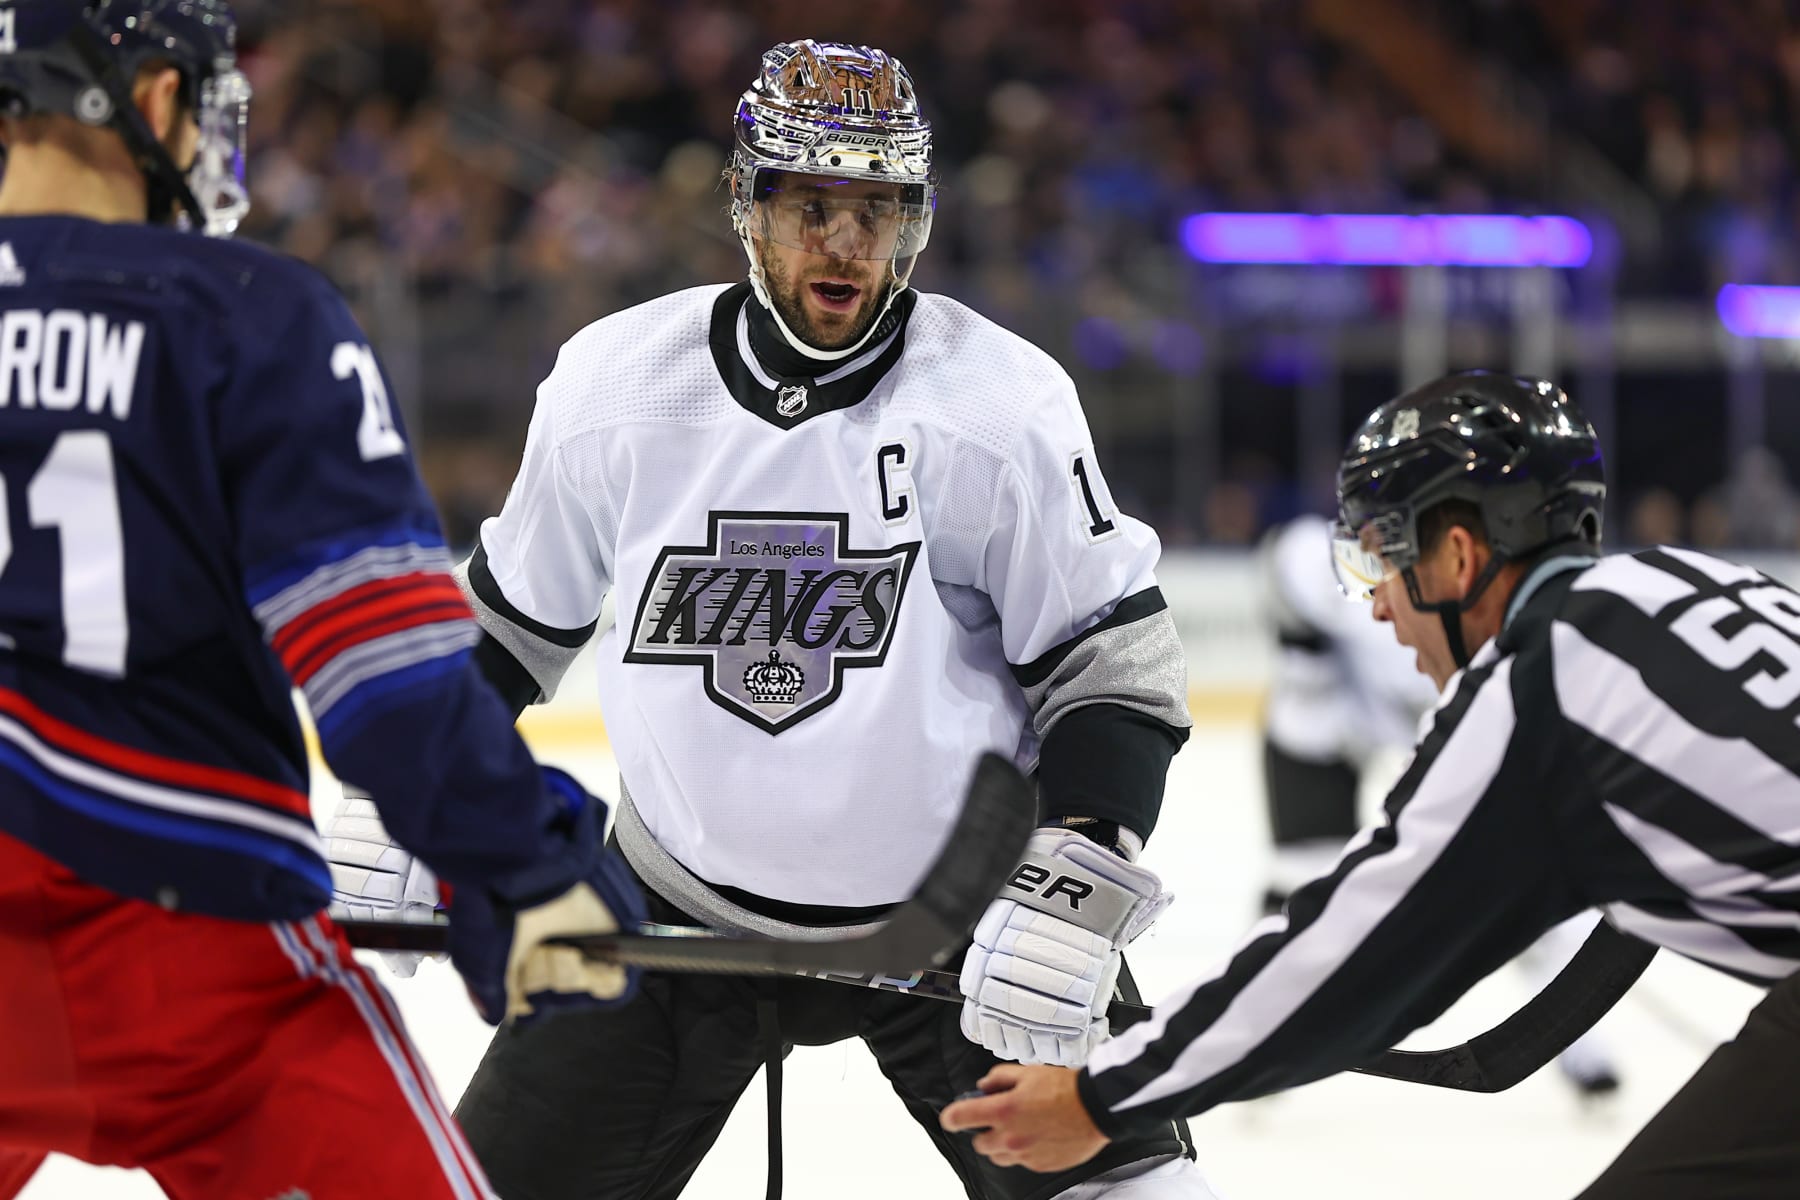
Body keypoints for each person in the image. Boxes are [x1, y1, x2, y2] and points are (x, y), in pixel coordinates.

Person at [328, 37, 1219, 1200]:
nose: (848, 245)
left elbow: (1112, 672)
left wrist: (1078, 878)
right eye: (813, 206)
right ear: (748, 207)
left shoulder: (1000, 404)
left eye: (880, 209)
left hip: (961, 914)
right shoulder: (617, 385)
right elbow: (508, 627)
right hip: (677, 911)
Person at [0, 4, 642, 1197]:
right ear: (146, 98)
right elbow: (383, 686)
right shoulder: (243, 311)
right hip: (187, 950)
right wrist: (525, 860)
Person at [942, 370, 1800, 1200]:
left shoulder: (1537, 685)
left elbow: (1355, 951)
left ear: (1459, 555)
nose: (1380, 606)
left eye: (1381, 557)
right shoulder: (1692, 581)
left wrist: (1101, 1099)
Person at [1259, 513, 1621, 1098]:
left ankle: (1581, 1045)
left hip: (1444, 728)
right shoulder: (1342, 570)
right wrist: (1309, 661)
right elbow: (1287, 559)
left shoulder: (1507, 619)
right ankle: (1262, 1032)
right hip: (1325, 721)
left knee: (1522, 877)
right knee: (1304, 881)